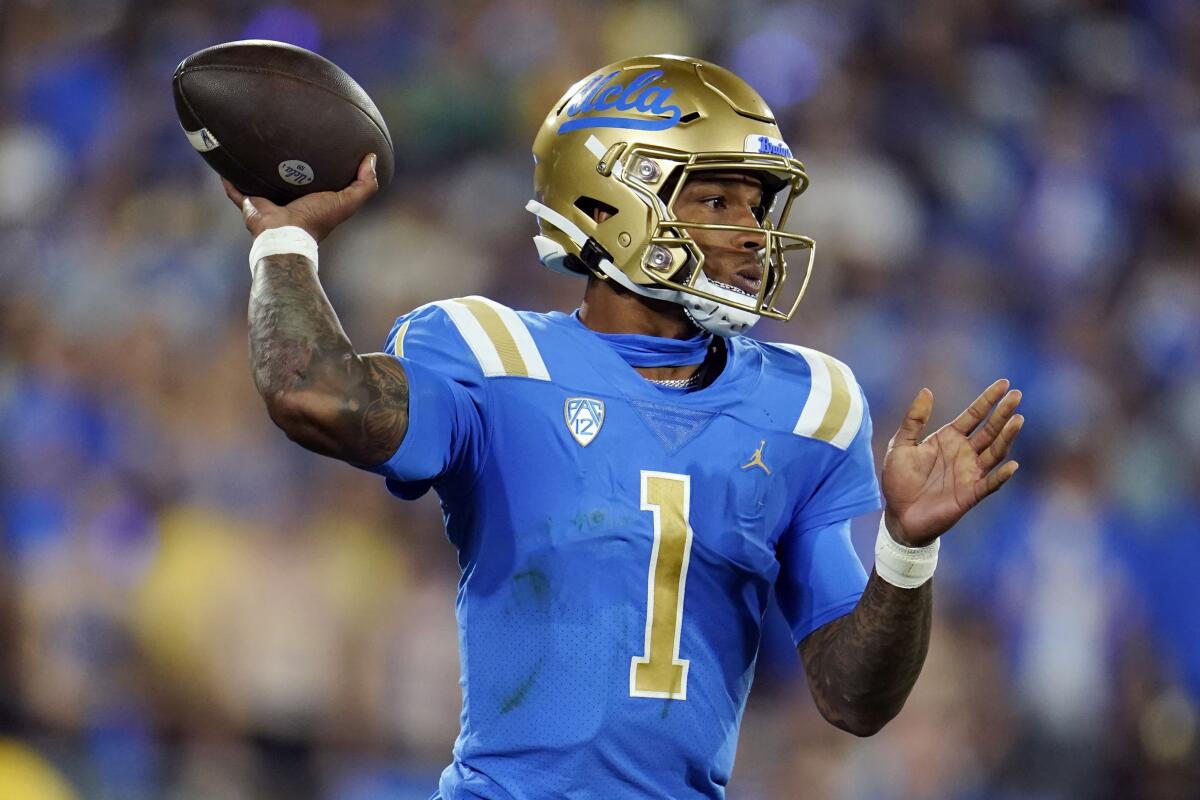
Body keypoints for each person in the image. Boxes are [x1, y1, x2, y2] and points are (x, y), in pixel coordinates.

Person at [223, 55, 1023, 800]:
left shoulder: (812, 404)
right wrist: (285, 240)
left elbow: (854, 699)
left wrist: (907, 551)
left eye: (757, 202)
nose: (750, 232)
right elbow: (311, 393)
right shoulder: (493, 355)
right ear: (608, 202)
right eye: (715, 199)